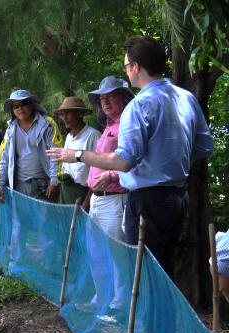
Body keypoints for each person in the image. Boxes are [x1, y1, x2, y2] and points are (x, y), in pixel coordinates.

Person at [48, 36, 214, 277]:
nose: (126, 71)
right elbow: (204, 146)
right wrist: (171, 162)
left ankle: (147, 316)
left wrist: (78, 154)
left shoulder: (140, 105)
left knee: (144, 273)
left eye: (126, 66)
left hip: (148, 202)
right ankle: (161, 314)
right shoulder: (185, 97)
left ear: (136, 66)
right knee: (165, 269)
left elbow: (123, 161)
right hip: (178, 197)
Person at [84, 76, 134, 312]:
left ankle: (119, 305)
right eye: (101, 98)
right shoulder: (109, 126)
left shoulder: (128, 123)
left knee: (117, 255)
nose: (104, 102)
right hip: (97, 199)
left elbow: (133, 160)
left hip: (116, 199)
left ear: (123, 97)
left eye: (110, 96)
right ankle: (102, 298)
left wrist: (113, 176)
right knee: (97, 252)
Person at [0, 89, 62, 203]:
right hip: (18, 185)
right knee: (22, 219)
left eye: (24, 103)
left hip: (44, 184)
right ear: (12, 110)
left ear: (32, 105)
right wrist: (0, 185)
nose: (20, 108)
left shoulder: (47, 124)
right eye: (16, 106)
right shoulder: (10, 130)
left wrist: (54, 181)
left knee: (44, 220)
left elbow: (55, 153)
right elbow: (4, 159)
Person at [53, 96, 99, 204]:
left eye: (68, 113)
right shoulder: (69, 137)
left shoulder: (93, 135)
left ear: (80, 114)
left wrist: (86, 203)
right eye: (63, 114)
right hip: (66, 191)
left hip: (83, 194)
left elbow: (97, 173)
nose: (65, 117)